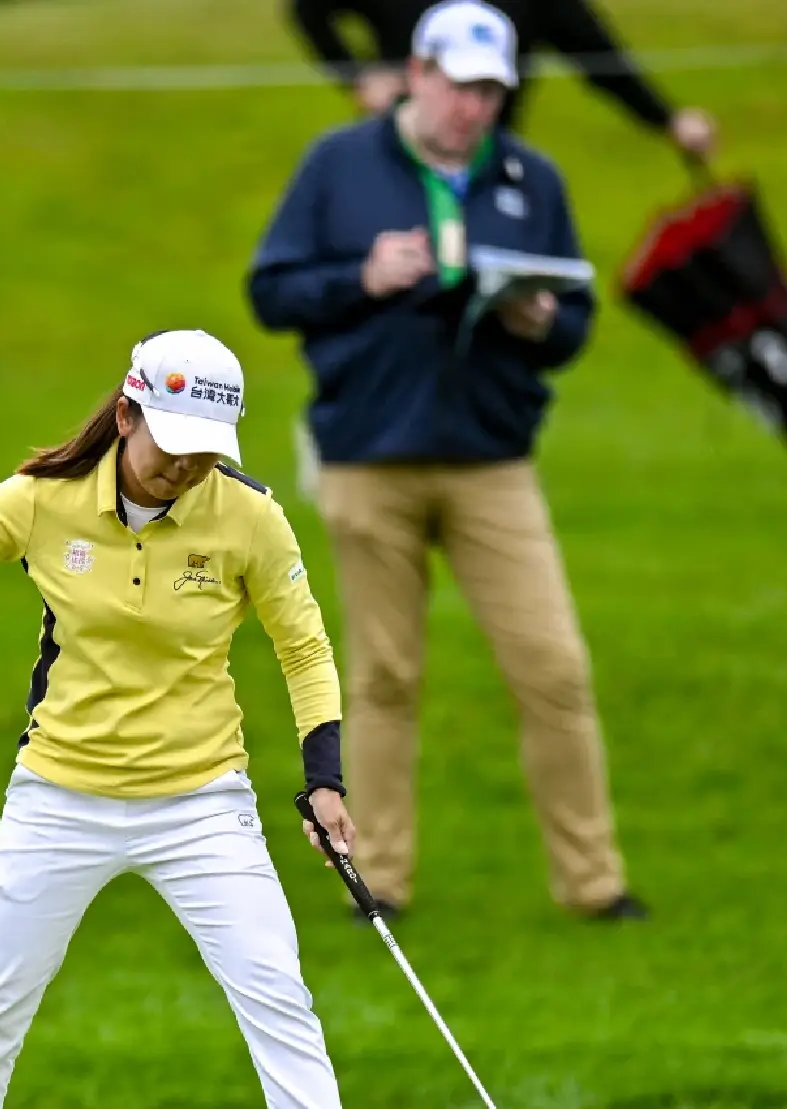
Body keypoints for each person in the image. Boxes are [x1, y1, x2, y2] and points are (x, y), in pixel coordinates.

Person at [0, 331, 449, 1109]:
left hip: (200, 801)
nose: (184, 464)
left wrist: (325, 778)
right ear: (127, 413)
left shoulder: (248, 516)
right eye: (169, 439)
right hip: (59, 795)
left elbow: (304, 651)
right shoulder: (47, 497)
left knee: (276, 991)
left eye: (203, 447)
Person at [248, 0, 646, 921]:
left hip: (491, 460)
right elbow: (272, 290)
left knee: (554, 668)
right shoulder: (339, 164)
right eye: (463, 87)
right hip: (368, 456)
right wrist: (363, 278)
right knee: (385, 677)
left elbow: (577, 317)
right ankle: (377, 879)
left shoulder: (529, 176)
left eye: (493, 92)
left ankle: (595, 884)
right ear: (419, 71)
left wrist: (541, 321)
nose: (476, 108)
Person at [289, 0, 718, 155]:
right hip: (396, 153)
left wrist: (666, 118)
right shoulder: (338, 165)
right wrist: (359, 76)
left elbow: (596, 53)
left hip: (491, 164)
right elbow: (308, 10)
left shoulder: (536, 182)